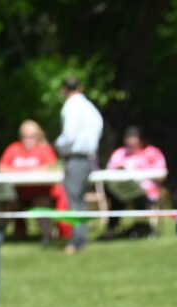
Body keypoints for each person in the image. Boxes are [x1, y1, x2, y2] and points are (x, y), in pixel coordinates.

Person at [55, 76, 103, 254]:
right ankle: (80, 237)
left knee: (74, 199)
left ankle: (77, 240)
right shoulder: (89, 106)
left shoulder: (71, 106)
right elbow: (99, 126)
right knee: (79, 199)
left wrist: (58, 144)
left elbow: (69, 135)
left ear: (64, 90)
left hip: (76, 158)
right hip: (89, 157)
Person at [0, 120, 63, 243]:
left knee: (41, 202)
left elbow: (54, 168)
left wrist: (23, 171)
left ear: (38, 136)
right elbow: (1, 168)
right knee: (6, 202)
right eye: (24, 136)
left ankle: (47, 237)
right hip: (17, 193)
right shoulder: (13, 148)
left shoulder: (44, 149)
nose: (27, 139)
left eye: (31, 136)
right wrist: (30, 171)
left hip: (40, 192)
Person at [104, 126, 167, 239]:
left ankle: (143, 227)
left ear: (140, 138)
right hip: (122, 190)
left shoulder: (152, 152)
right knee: (115, 196)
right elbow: (110, 171)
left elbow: (161, 174)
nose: (130, 141)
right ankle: (110, 230)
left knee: (138, 195)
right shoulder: (120, 153)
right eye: (128, 138)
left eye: (133, 137)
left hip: (146, 192)